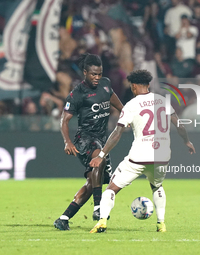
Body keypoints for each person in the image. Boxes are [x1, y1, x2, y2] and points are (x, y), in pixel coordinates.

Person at [88, 70, 196, 233]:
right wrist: (186, 141)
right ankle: (161, 224)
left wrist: (101, 155)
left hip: (139, 157)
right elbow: (179, 124)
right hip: (162, 156)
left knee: (111, 189)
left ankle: (102, 222)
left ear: (134, 86)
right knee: (157, 186)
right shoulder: (163, 101)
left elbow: (117, 134)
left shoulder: (131, 105)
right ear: (148, 85)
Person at [53, 53, 123, 230]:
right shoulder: (77, 93)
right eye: (93, 74)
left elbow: (117, 103)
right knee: (99, 160)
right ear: (85, 72)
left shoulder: (106, 84)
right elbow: (64, 120)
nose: (97, 78)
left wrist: (127, 114)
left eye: (99, 74)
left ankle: (63, 218)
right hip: (84, 139)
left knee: (93, 183)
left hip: (101, 140)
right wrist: (67, 142)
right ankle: (98, 207)